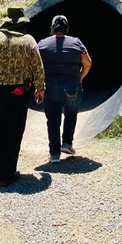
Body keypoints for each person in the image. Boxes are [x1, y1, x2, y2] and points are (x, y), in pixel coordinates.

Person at [0, 7, 45, 187]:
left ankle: (0, 166)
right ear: (22, 23)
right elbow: (37, 67)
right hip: (19, 92)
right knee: (15, 130)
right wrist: (40, 89)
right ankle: (8, 173)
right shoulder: (28, 41)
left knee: (0, 127)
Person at [37, 15, 92, 163]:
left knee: (53, 119)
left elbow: (35, 66)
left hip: (50, 87)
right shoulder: (76, 42)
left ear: (52, 29)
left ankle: (54, 154)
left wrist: (38, 85)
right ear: (66, 29)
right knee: (71, 113)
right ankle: (67, 143)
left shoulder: (42, 44)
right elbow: (88, 63)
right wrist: (80, 78)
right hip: (72, 86)